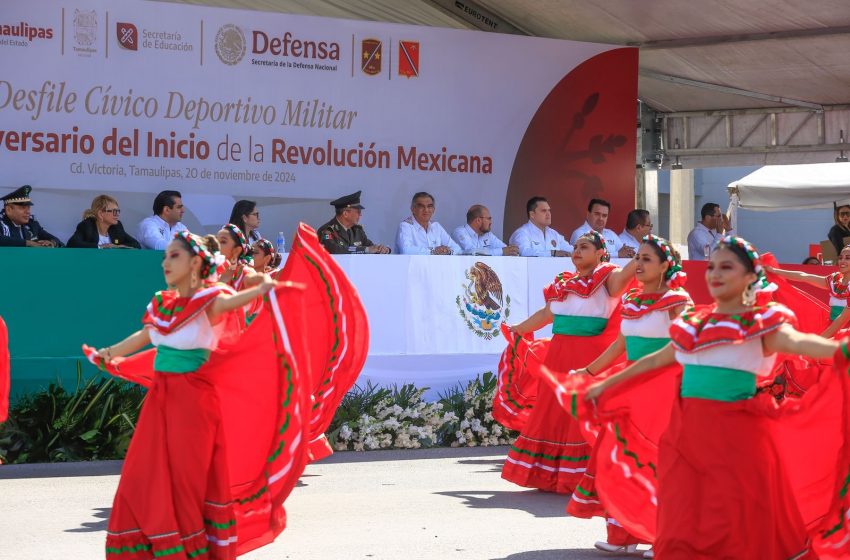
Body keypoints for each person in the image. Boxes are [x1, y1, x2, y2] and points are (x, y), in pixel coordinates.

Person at [583, 236, 849, 559]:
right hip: (686, 437)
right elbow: (657, 360)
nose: (715, 274)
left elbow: (807, 345)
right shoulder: (696, 325)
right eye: (711, 267)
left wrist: (841, 349)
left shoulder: (761, 323)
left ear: (751, 277)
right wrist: (603, 385)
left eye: (727, 267)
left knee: (738, 520)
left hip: (738, 439)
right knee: (684, 515)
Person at [83, 230, 315, 558]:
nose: (165, 262)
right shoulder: (163, 304)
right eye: (165, 256)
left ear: (194, 262)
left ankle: (187, 549)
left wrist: (260, 289)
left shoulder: (209, 300)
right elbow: (146, 335)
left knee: (184, 482)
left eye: (173, 256)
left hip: (193, 405)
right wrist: (109, 352)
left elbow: (227, 302)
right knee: (141, 477)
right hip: (160, 404)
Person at [534, 235, 689, 557]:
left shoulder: (677, 301)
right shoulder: (632, 301)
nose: (639, 265)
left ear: (665, 265)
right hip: (631, 384)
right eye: (638, 258)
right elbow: (620, 345)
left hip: (663, 386)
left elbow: (683, 347)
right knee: (619, 455)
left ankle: (663, 535)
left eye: (647, 259)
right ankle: (623, 533)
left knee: (656, 461)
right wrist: (587, 373)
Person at [500, 231, 636, 493]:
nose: (577, 250)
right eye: (575, 246)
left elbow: (626, 276)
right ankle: (551, 476)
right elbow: (546, 314)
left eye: (584, 247)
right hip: (558, 358)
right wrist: (519, 328)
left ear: (600, 253)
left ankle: (588, 476)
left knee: (581, 415)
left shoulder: (608, 277)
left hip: (590, 360)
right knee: (554, 414)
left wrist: (642, 254)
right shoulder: (563, 284)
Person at [766, 247, 850, 337]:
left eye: (848, 258)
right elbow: (803, 276)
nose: (842, 261)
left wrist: (820, 340)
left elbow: (842, 320)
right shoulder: (834, 280)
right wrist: (774, 271)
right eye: (841, 258)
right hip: (831, 329)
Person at [318, 191, 390, 254]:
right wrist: (366, 249)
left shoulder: (357, 230)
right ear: (345, 214)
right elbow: (335, 250)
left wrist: (381, 249)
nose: (360, 215)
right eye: (358, 212)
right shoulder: (327, 231)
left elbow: (370, 247)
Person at [395, 192, 461, 255]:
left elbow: (458, 249)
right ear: (413, 209)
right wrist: (434, 251)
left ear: (433, 210)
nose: (426, 210)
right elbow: (406, 250)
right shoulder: (405, 226)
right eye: (421, 206)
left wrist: (447, 251)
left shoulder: (436, 226)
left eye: (429, 206)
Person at [67, 194, 141, 249]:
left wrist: (117, 246)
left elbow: (136, 245)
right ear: (100, 214)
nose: (117, 215)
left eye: (118, 211)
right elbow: (72, 244)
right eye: (114, 211)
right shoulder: (87, 226)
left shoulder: (117, 227)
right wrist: (101, 247)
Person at [508, 196, 572, 257]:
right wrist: (552, 253)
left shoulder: (554, 234)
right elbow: (523, 252)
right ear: (532, 214)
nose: (548, 214)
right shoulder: (522, 233)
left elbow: (571, 250)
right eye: (544, 211)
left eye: (549, 210)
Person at [452, 205, 519, 256]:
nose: (491, 222)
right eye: (488, 219)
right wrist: (501, 252)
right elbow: (472, 252)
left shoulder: (488, 234)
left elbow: (505, 248)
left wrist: (511, 250)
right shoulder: (459, 232)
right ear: (478, 220)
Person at [217, 223, 256, 291]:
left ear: (236, 251)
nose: (216, 245)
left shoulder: (246, 274)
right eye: (216, 240)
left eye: (223, 241)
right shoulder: (212, 274)